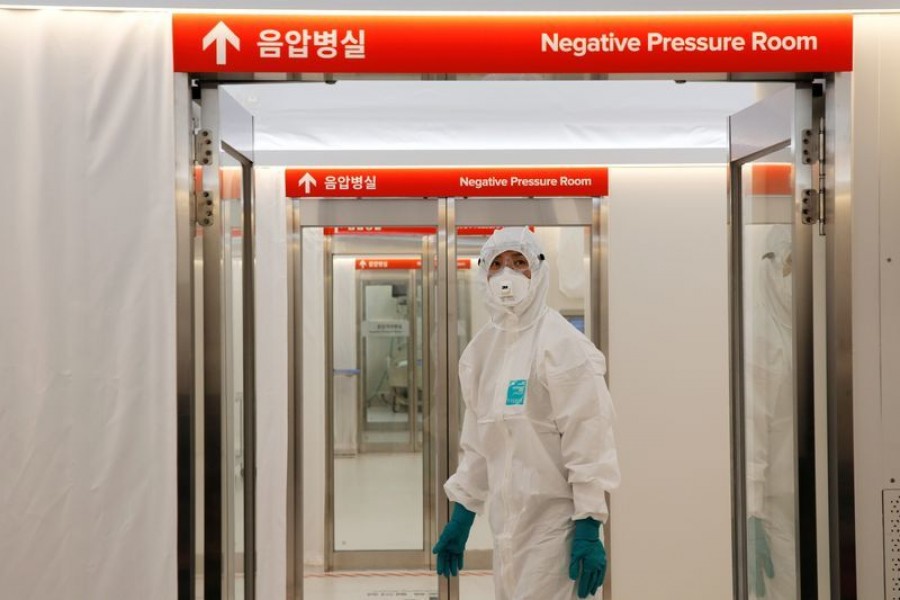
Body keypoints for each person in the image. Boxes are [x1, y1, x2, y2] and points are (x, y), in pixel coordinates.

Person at [433, 227, 620, 600]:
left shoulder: (563, 345)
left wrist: (588, 523)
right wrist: (463, 514)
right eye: (497, 265)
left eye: (520, 264)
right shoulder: (481, 351)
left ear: (538, 272)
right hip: (506, 530)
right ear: (483, 274)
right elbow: (478, 441)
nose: (508, 276)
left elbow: (589, 439)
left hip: (555, 530)